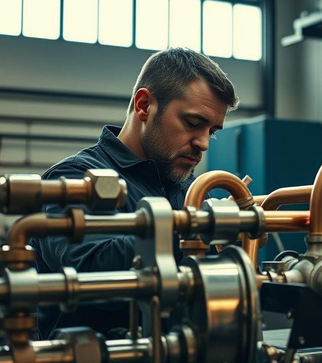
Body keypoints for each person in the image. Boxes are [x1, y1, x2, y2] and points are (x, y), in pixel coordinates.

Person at [30, 47, 239, 340]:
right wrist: (196, 227)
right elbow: (94, 276)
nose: (204, 143)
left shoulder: (187, 190)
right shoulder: (73, 178)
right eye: (193, 123)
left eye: (212, 131)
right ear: (144, 105)